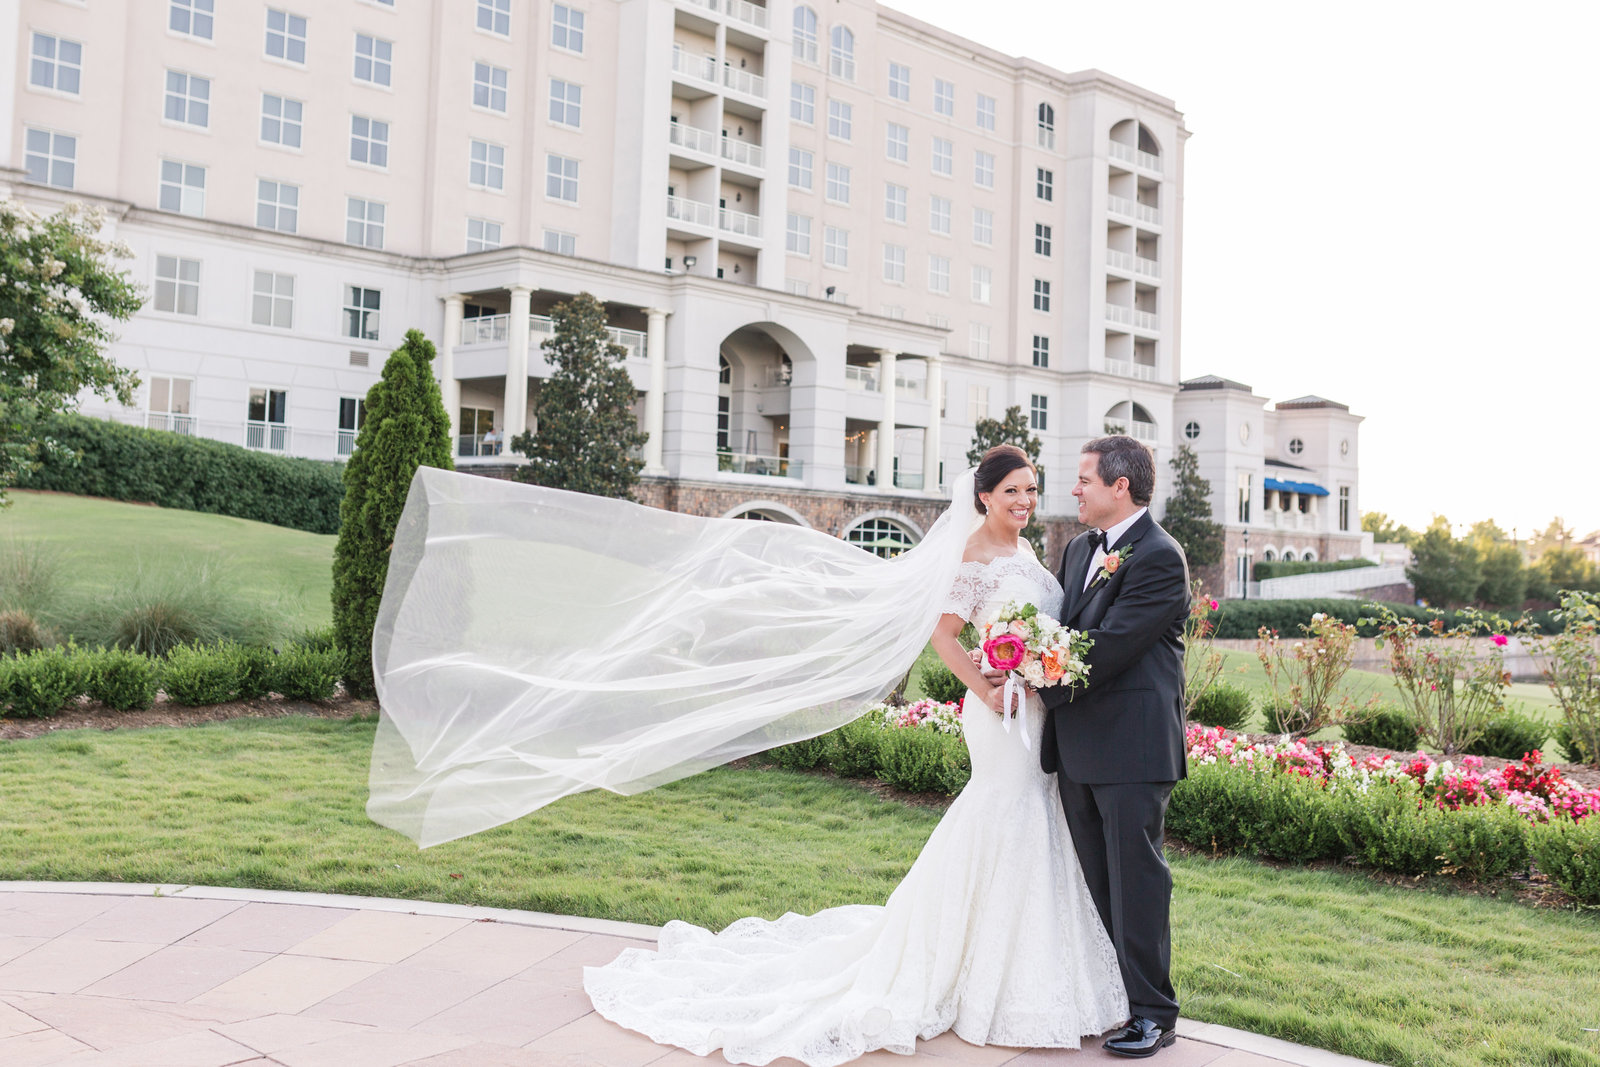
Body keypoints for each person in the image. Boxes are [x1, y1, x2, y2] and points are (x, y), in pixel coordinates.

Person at [581, 444, 1128, 1064]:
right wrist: (986, 685)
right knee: (1005, 813)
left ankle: (1020, 964)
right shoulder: (970, 553)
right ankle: (974, 972)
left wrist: (1037, 665)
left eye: (1032, 491)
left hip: (1034, 709)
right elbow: (944, 634)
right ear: (984, 496)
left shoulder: (1028, 550)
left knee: (1034, 817)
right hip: (998, 715)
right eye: (1013, 492)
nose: (1025, 502)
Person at [1035, 434, 1190, 1059]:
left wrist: (1024, 669)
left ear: (1119, 486)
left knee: (1137, 884)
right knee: (1097, 882)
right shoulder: (1077, 551)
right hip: (1076, 745)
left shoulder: (1159, 557)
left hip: (1131, 749)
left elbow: (1107, 648)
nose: (1074, 489)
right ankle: (1112, 999)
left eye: (1084, 479)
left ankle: (1154, 1013)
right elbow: (1066, 629)